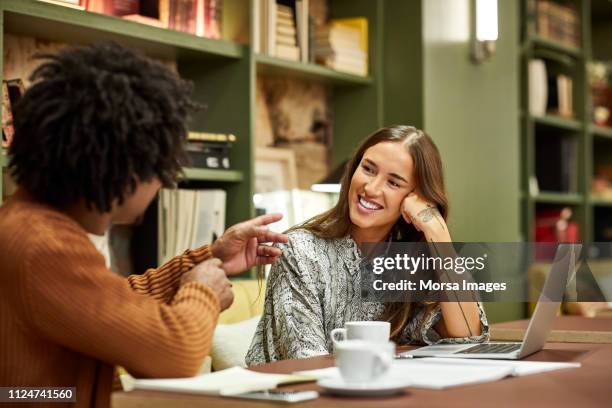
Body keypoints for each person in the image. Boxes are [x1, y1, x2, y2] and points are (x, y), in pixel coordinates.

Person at [0, 43, 287, 407]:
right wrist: (205, 295)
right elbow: (175, 356)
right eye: (160, 168)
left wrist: (205, 259)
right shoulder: (43, 245)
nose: (164, 183)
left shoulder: (29, 225)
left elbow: (112, 306)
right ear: (125, 169)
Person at [246, 125, 489, 365]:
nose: (371, 188)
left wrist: (437, 232)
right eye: (368, 169)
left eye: (394, 183)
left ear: (415, 198)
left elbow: (469, 338)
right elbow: (306, 363)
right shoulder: (298, 252)